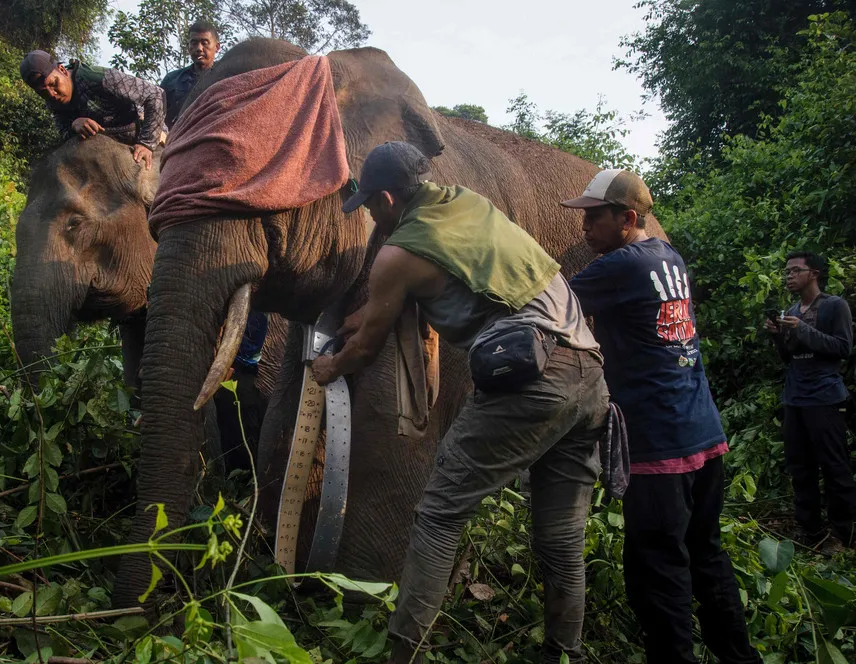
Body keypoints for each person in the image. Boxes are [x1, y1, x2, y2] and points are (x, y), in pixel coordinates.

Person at [312, 142, 609, 664]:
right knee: (562, 537)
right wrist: (361, 317)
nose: (373, 219)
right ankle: (567, 652)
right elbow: (416, 299)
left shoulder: (400, 251)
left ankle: (400, 654)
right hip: (590, 374)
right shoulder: (468, 203)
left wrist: (328, 367)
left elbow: (364, 349)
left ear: (385, 198)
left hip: (534, 378)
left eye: (371, 207)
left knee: (439, 513)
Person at [563, 170, 760, 664]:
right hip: (702, 429)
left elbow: (549, 298)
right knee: (707, 554)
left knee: (658, 569)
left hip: (658, 443)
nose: (584, 228)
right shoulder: (668, 258)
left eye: (594, 217)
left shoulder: (621, 265)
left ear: (627, 218)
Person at [765, 250, 856, 549]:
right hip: (796, 398)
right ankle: (811, 532)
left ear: (814, 273)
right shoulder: (792, 309)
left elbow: (842, 347)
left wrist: (801, 328)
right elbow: (789, 358)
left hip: (825, 396)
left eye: (795, 270)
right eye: (787, 272)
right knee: (799, 466)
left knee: (834, 466)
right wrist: (779, 336)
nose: (789, 275)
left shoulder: (833, 306)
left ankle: (842, 534)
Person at [19, 50, 164, 169]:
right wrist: (74, 125)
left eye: (54, 84)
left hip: (142, 132)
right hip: (107, 149)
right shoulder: (52, 101)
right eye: (43, 92)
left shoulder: (99, 78)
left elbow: (155, 94)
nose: (52, 94)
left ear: (62, 70)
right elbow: (63, 133)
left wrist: (147, 143)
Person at [213, 311, 269, 471]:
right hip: (235, 372)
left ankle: (241, 481)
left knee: (239, 436)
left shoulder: (256, 311)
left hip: (238, 374)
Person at [160, 21, 221, 127]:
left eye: (205, 43)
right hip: (173, 139)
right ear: (188, 46)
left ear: (217, 47)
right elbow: (158, 114)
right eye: (194, 43)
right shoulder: (172, 79)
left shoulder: (226, 79)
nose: (199, 48)